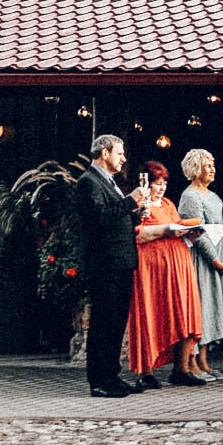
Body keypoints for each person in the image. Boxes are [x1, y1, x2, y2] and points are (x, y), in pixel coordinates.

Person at [127, 164, 205, 388]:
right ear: (145, 184)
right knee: (151, 313)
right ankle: (147, 372)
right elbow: (136, 234)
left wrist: (192, 230)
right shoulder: (139, 205)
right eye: (156, 183)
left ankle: (181, 369)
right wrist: (166, 230)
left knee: (184, 312)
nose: (161, 188)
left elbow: (178, 224)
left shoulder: (169, 203)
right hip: (152, 268)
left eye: (164, 184)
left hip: (178, 265)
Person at [76, 135, 140, 398]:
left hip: (120, 261)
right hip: (105, 263)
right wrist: (130, 201)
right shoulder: (88, 181)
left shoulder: (109, 182)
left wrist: (133, 212)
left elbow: (113, 215)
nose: (124, 158)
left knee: (116, 322)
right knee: (104, 322)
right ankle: (100, 381)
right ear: (105, 152)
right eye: (120, 153)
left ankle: (112, 376)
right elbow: (99, 218)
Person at [178, 150, 223, 378]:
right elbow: (196, 231)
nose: (212, 169)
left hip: (218, 258)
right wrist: (214, 259)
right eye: (207, 165)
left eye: (213, 165)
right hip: (201, 260)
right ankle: (192, 363)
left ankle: (205, 361)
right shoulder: (190, 196)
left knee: (211, 309)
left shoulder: (213, 195)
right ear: (195, 169)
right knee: (200, 309)